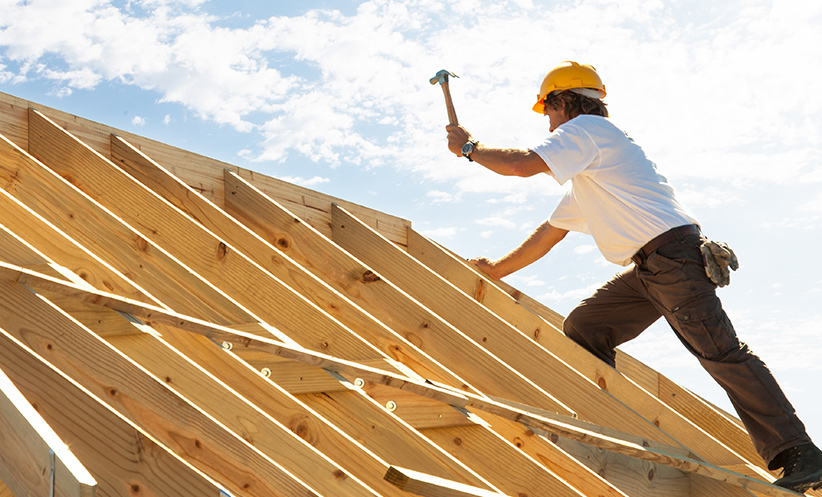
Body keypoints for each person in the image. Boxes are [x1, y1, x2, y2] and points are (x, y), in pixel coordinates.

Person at [445, 60, 822, 493]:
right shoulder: (593, 168)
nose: (548, 121)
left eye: (547, 110)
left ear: (564, 102)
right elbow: (549, 234)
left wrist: (471, 148)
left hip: (672, 260)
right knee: (586, 326)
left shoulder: (586, 131)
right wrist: (496, 270)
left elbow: (523, 165)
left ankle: (800, 454)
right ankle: (612, 420)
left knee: (721, 354)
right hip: (652, 267)